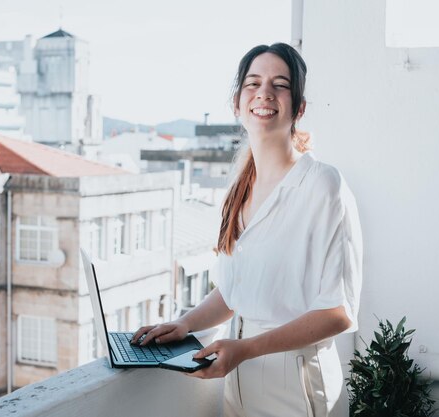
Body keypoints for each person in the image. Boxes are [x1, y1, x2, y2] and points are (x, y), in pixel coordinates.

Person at [132, 43, 363, 417]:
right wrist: (183, 323)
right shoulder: (240, 188)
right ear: (237, 105)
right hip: (238, 379)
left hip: (296, 383)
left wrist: (247, 349)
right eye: (253, 83)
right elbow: (233, 293)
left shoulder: (322, 185)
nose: (265, 92)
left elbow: (339, 313)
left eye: (280, 84)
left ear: (299, 107)